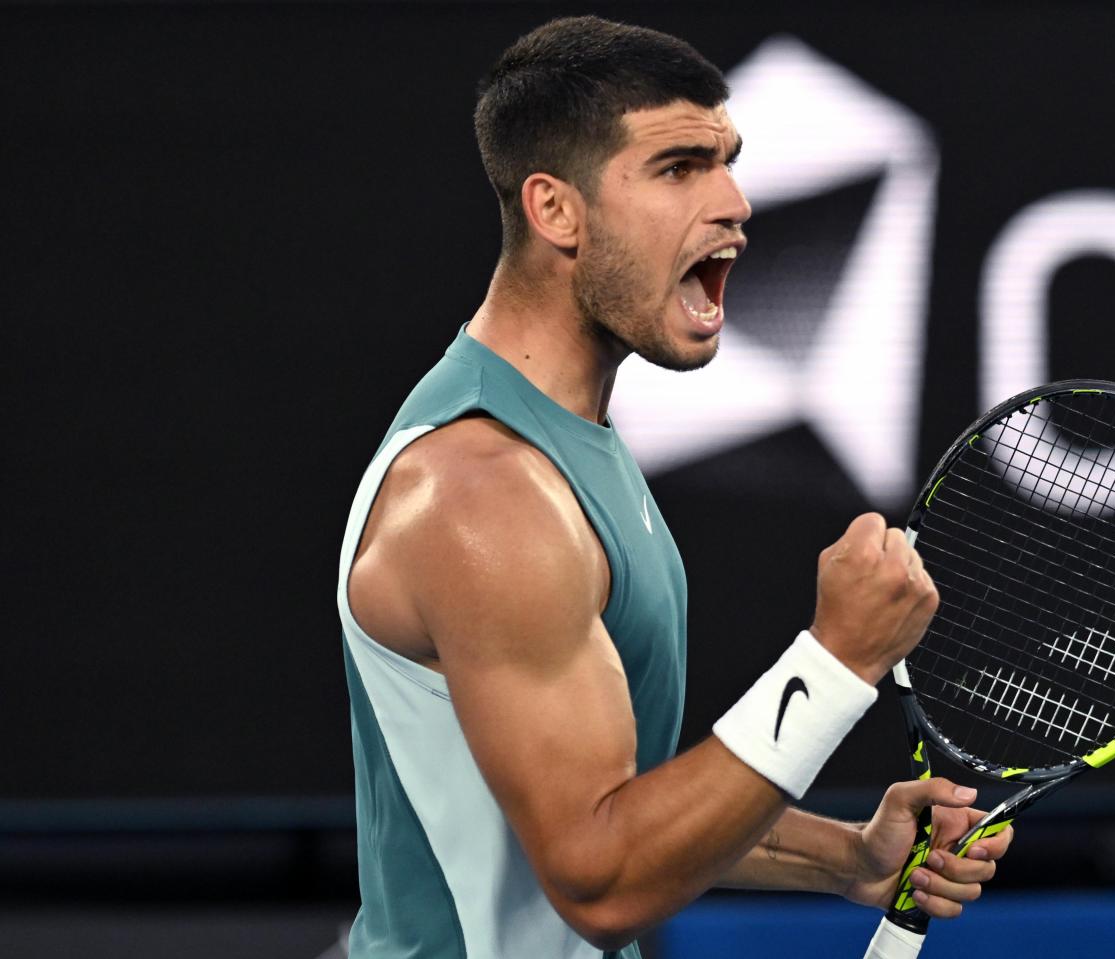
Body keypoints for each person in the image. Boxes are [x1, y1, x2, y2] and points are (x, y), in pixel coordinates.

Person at [335, 16, 1012, 958]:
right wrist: (835, 660)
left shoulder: (568, 440)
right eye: (679, 166)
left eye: (728, 160)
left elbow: (620, 795)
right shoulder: (484, 494)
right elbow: (603, 880)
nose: (736, 200)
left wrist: (847, 858)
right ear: (555, 210)